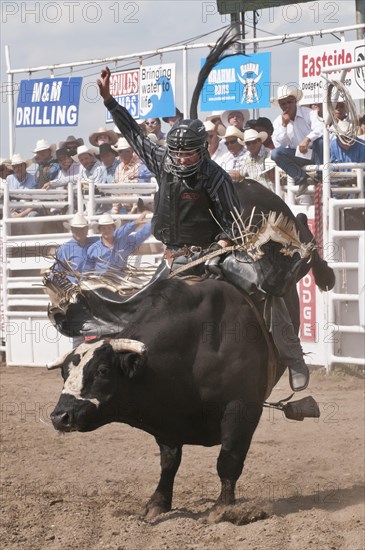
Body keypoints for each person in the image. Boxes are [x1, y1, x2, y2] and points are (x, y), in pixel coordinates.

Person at [97, 66, 309, 392]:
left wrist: (223, 240)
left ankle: (292, 357)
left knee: (266, 288)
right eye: (177, 154)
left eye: (188, 154)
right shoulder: (161, 160)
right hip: (177, 256)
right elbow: (136, 136)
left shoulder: (214, 176)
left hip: (217, 253)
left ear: (201, 149)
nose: (181, 160)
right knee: (139, 304)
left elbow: (231, 218)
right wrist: (110, 101)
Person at [271, 85, 323, 197]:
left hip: (316, 154)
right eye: (283, 104)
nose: (287, 106)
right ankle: (302, 178)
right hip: (299, 156)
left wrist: (307, 139)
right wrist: (284, 125)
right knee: (275, 153)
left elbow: (321, 128)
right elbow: (279, 145)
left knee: (320, 141)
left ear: (295, 101)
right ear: (280, 106)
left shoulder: (309, 113)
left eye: (289, 102)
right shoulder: (278, 122)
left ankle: (320, 177)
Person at [85, 212, 152, 274]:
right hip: (101, 282)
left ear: (114, 229)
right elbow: (87, 270)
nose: (107, 230)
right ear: (100, 230)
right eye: (104, 228)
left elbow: (142, 234)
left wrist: (154, 221)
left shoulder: (125, 243)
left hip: (120, 281)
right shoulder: (93, 248)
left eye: (109, 228)